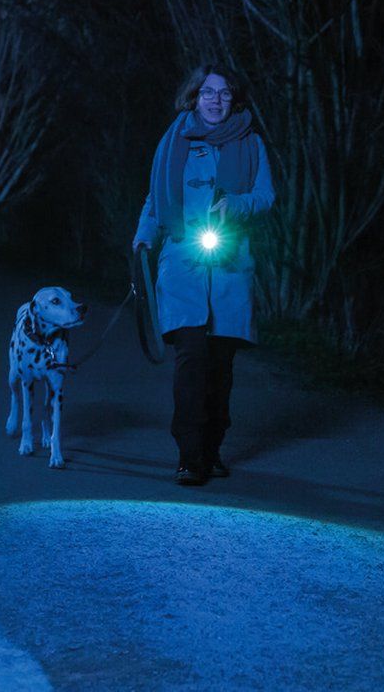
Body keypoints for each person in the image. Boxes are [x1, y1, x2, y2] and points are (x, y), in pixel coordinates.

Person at [132, 64, 276, 485]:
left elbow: (266, 196)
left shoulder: (250, 143)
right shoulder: (172, 141)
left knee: (220, 369)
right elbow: (155, 198)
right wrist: (142, 239)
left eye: (224, 93)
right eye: (208, 92)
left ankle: (212, 450)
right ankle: (189, 455)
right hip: (183, 265)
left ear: (235, 100)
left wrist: (237, 204)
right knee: (191, 362)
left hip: (230, 268)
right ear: (194, 96)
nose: (215, 100)